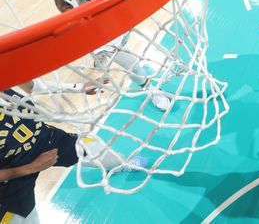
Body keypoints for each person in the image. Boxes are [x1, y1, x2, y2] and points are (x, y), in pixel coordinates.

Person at [0, 84, 148, 223]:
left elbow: (32, 85)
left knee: (100, 152)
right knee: (22, 219)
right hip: (11, 174)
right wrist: (32, 167)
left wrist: (77, 87)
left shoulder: (6, 73)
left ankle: (121, 165)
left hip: (48, 139)